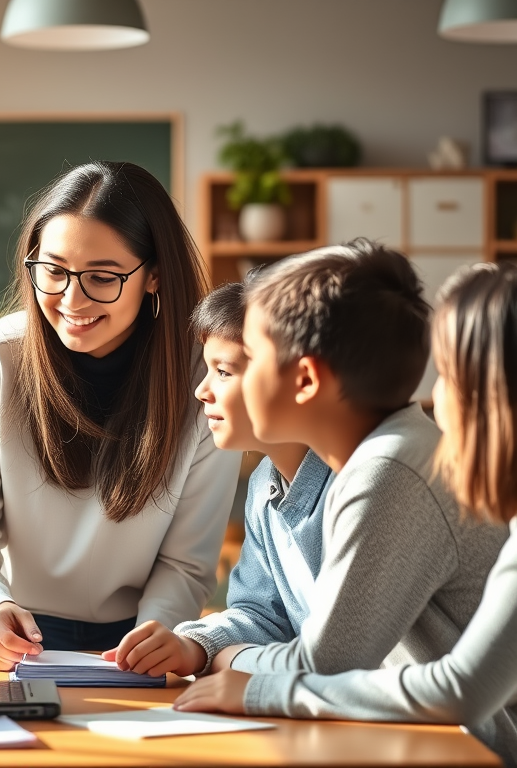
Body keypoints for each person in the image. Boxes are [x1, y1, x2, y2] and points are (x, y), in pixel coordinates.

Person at [176, 260, 517, 767]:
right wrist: (209, 648)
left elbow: (325, 664)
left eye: (447, 374)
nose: (434, 395)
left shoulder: (393, 467)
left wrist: (237, 670)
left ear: (307, 378)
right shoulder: (320, 472)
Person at [0, 160, 242, 670]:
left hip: (146, 638)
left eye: (102, 277)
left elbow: (187, 561)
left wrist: (152, 636)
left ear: (155, 275)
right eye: (52, 271)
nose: (71, 300)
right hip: (18, 634)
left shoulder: (205, 375)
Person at [102, 278, 334, 678]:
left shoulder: (355, 485)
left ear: (301, 378)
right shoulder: (266, 484)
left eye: (224, 372)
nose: (201, 391)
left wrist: (233, 661)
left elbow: (339, 655)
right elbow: (261, 614)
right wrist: (193, 645)